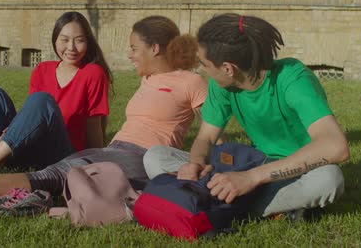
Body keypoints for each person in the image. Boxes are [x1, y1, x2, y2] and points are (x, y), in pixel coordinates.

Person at [0, 15, 208, 208]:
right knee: (55, 171)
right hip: (113, 149)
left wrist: (200, 162)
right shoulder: (147, 79)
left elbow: (210, 131)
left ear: (155, 49)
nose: (130, 55)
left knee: (58, 175)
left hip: (140, 155)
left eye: (134, 48)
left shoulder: (191, 82)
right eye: (64, 39)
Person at [143, 13, 349, 218]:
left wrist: (251, 178)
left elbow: (335, 147)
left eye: (205, 65)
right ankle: (251, 204)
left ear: (228, 68)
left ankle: (216, 201)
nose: (203, 71)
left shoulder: (292, 78)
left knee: (330, 179)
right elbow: (205, 138)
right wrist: (195, 164)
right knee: (156, 156)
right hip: (249, 162)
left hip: (293, 171)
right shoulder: (221, 85)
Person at [0, 11, 112, 170]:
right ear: (55, 40)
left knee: (42, 100)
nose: (71, 47)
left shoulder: (93, 73)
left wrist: (97, 166)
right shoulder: (42, 69)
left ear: (88, 43)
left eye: (79, 40)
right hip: (31, 149)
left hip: (64, 156)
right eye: (64, 40)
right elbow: (32, 116)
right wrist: (12, 130)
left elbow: (93, 126)